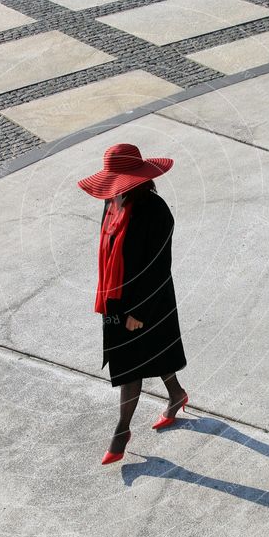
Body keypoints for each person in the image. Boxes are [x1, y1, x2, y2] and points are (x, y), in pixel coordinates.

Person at [77, 143, 188, 466]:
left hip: (146, 303)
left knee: (130, 367)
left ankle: (121, 433)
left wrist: (137, 313)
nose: (113, 188)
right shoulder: (113, 202)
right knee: (150, 354)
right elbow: (108, 249)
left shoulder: (157, 212)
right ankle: (177, 395)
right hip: (116, 300)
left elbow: (157, 267)